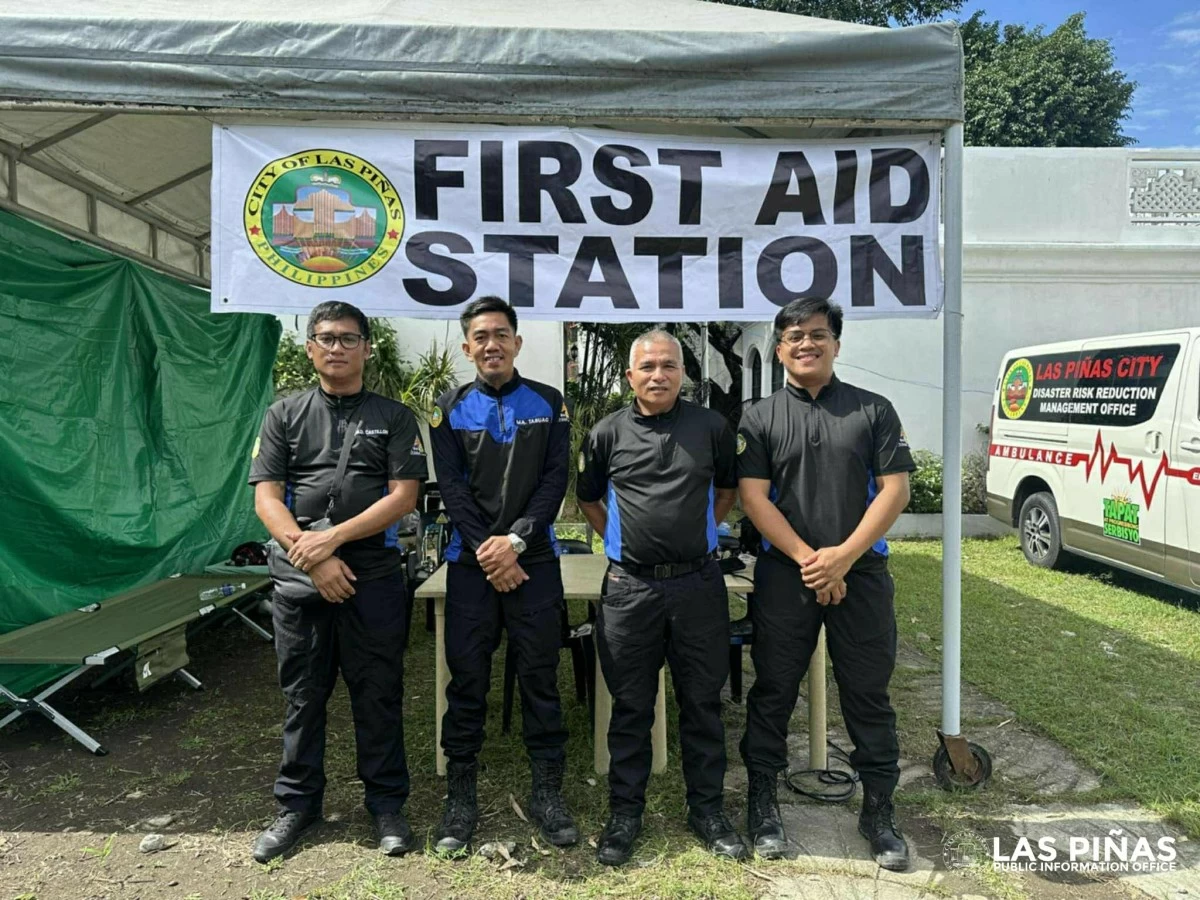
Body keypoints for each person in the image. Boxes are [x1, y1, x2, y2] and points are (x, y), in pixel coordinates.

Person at [737, 297, 915, 871]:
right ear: (780, 350)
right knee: (773, 689)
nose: (806, 344)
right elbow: (752, 498)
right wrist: (811, 560)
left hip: (861, 574)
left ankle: (879, 810)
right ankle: (763, 802)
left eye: (817, 334)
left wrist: (842, 558)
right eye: (793, 336)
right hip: (785, 575)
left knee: (868, 692)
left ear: (837, 343)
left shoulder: (873, 410)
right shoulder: (759, 417)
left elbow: (895, 491)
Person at [248, 301, 427, 862]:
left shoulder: (394, 417)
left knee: (379, 693)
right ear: (310, 348)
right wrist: (312, 556)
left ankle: (387, 806)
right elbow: (266, 498)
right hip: (301, 576)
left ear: (367, 348)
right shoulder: (283, 414)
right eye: (326, 338)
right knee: (303, 696)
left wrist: (334, 540)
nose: (337, 348)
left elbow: (403, 496)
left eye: (349, 339)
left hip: (372, 574)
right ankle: (297, 806)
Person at [576, 330, 749, 867]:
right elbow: (589, 500)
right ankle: (625, 814)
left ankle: (708, 811)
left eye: (668, 365)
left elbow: (727, 491)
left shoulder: (712, 428)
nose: (658, 375)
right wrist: (625, 545)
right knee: (630, 706)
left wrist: (696, 536)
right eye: (647, 366)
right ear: (630, 376)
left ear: (683, 373)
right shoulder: (605, 433)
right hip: (630, 590)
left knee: (702, 702)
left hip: (698, 584)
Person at [427, 295, 577, 855]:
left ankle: (547, 794)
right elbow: (452, 489)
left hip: (533, 561)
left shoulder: (550, 402)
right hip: (472, 565)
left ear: (517, 342)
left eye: (501, 334)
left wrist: (515, 542)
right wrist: (490, 552)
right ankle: (460, 798)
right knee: (467, 680)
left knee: (540, 676)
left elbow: (554, 481)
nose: (491, 344)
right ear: (467, 348)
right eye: (480, 337)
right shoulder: (448, 407)